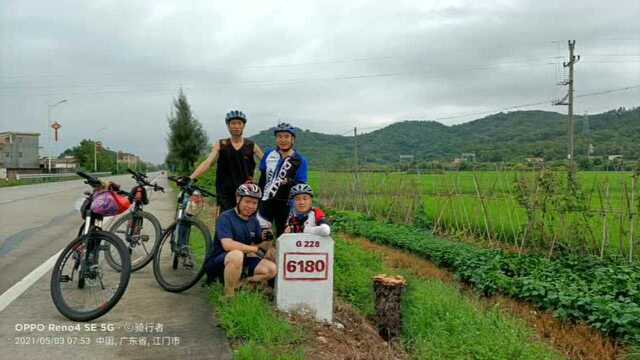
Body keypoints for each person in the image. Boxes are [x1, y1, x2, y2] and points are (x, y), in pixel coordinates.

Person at [204, 183, 277, 297]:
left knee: (271, 269)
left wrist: (268, 238)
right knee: (236, 254)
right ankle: (229, 296)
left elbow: (262, 246)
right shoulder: (225, 217)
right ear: (238, 199)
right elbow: (227, 245)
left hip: (243, 263)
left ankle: (240, 285)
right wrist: (253, 248)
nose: (250, 206)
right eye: (247, 201)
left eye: (254, 203)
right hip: (219, 262)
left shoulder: (254, 221)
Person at [190, 110, 264, 214]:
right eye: (233, 123)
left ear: (243, 125)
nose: (236, 126)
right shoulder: (221, 144)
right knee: (223, 224)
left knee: (244, 225)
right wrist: (191, 178)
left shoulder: (251, 145)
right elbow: (208, 163)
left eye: (239, 123)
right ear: (228, 126)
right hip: (225, 193)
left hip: (246, 193)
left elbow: (267, 163)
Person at [258, 122, 309, 237]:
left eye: (286, 136)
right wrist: (258, 199)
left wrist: (289, 182)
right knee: (263, 235)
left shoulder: (299, 160)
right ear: (276, 139)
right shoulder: (268, 155)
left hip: (286, 204)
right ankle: (265, 254)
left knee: (284, 236)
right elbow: (262, 178)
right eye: (279, 136)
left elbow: (301, 185)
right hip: (266, 202)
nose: (283, 140)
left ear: (293, 139)